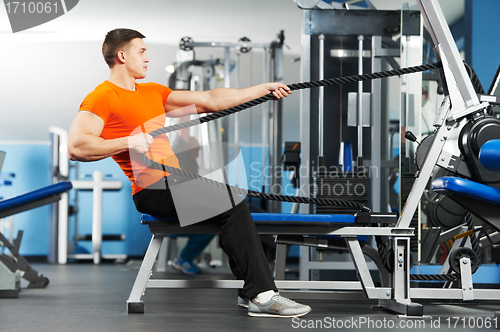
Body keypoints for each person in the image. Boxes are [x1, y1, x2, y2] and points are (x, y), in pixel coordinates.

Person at [67, 28, 311, 318]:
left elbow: (211, 99)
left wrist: (263, 89)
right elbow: (77, 147)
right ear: (122, 56)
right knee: (232, 202)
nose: (147, 58)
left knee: (254, 208)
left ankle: (251, 291)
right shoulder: (102, 96)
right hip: (151, 191)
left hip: (176, 182)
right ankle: (263, 295)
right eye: (141, 51)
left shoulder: (153, 92)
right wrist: (128, 141)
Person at [171, 117, 215, 275]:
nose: (197, 153)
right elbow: (183, 131)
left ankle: (184, 258)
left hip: (185, 213)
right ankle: (183, 259)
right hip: (176, 218)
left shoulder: (192, 166)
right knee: (211, 226)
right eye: (195, 149)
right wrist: (186, 109)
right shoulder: (181, 155)